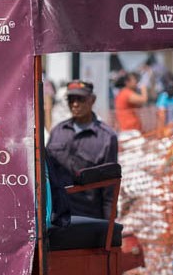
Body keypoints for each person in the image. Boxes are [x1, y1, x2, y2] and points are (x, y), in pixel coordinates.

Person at [45, 80, 119, 219]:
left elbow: (110, 188)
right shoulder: (58, 132)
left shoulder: (106, 137)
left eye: (80, 99)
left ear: (92, 100)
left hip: (89, 218)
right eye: (71, 99)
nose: (75, 104)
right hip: (57, 216)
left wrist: (109, 226)